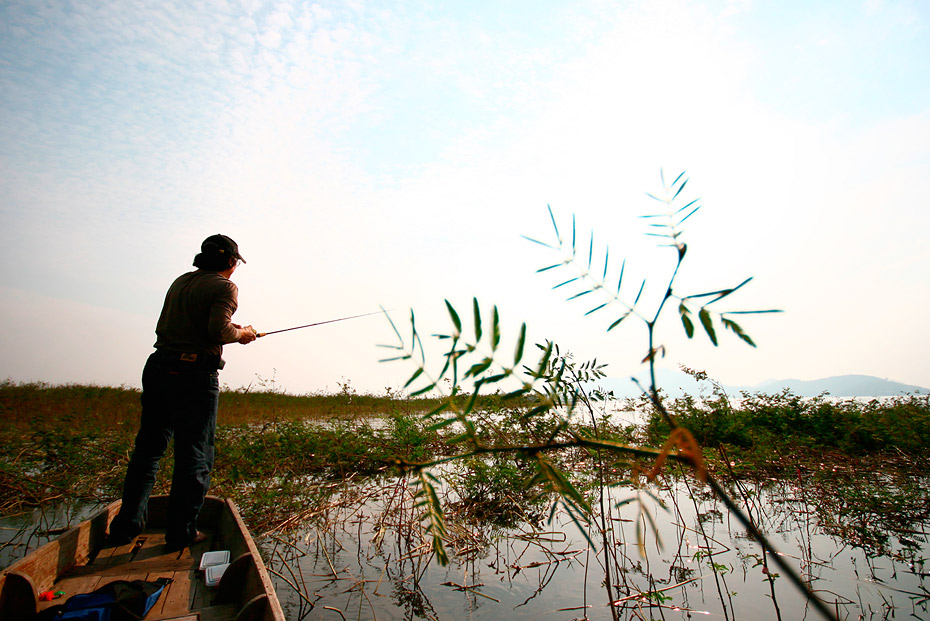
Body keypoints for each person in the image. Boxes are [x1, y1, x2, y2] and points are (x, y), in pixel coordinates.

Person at [108, 234, 257, 551]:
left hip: (159, 366)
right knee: (195, 456)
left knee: (148, 451)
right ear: (231, 262)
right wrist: (243, 334)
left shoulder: (181, 281)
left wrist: (233, 328)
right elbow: (219, 330)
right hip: (193, 375)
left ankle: (126, 527)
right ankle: (181, 534)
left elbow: (195, 324)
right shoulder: (225, 286)